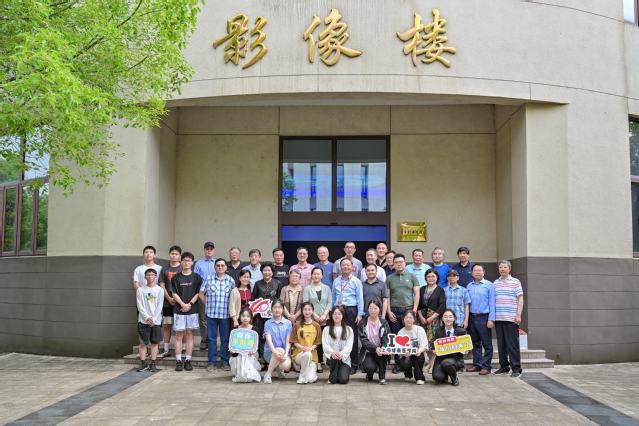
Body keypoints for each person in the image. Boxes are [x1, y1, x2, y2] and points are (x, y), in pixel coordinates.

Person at [385, 253, 420, 373]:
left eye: (401, 262)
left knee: (410, 336)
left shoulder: (412, 276)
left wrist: (415, 309)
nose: (399, 264)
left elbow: (417, 294)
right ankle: (398, 364)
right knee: (396, 337)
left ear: (405, 263)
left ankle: (411, 362)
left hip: (408, 310)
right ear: (393, 264)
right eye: (396, 262)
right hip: (395, 311)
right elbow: (387, 296)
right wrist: (389, 311)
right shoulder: (389, 278)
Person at [199, 258, 235, 372]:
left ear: (226, 267)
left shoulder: (230, 280)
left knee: (225, 339)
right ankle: (212, 362)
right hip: (211, 314)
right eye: (218, 265)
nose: (220, 267)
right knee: (211, 339)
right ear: (215, 267)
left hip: (225, 315)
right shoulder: (208, 279)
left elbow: (234, 296)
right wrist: (207, 304)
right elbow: (201, 293)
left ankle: (225, 361)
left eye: (222, 265)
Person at [170, 252, 202, 372]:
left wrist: (190, 304)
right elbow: (174, 293)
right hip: (179, 310)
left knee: (189, 334)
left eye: (189, 260)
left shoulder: (197, 277)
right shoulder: (176, 277)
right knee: (179, 335)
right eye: (184, 260)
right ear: (181, 262)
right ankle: (178, 360)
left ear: (192, 262)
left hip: (192, 310)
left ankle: (188, 360)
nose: (186, 262)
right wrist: (183, 304)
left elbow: (198, 293)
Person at [332, 258, 364, 374]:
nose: (345, 267)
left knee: (352, 337)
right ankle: (340, 361)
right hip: (338, 310)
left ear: (352, 267)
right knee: (338, 335)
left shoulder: (356, 281)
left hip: (351, 310)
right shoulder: (336, 281)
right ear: (340, 267)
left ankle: (354, 364)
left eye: (348, 265)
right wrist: (332, 311)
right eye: (343, 265)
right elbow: (333, 297)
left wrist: (360, 314)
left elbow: (360, 298)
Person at [493, 260, 524, 378]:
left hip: (511, 318)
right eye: (500, 267)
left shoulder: (515, 282)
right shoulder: (495, 283)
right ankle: (504, 366)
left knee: (512, 345)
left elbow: (520, 299)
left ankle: (516, 369)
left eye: (505, 267)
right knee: (501, 345)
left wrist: (518, 314)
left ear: (509, 269)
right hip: (498, 318)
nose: (502, 269)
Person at [466, 264, 496, 375]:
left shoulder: (489, 285)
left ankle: (486, 366)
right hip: (472, 317)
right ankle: (477, 365)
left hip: (484, 317)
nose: (477, 272)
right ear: (472, 273)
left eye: (479, 270)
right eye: (475, 270)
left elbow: (492, 303)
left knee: (487, 344)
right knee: (475, 343)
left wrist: (491, 319)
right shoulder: (469, 285)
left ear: (484, 272)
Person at [253, 263, 283, 364]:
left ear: (272, 272)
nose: (267, 272)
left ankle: (274, 359)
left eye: (269, 270)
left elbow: (279, 299)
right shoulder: (257, 284)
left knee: (274, 337)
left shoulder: (277, 283)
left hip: (274, 316)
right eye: (265, 270)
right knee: (261, 337)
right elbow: (253, 300)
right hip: (260, 317)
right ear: (262, 272)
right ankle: (263, 360)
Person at [303, 267, 332, 372]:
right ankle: (317, 363)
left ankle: (324, 360)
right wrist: (314, 315)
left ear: (322, 276)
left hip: (325, 319)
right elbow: (306, 303)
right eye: (314, 274)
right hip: (312, 319)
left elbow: (330, 302)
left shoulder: (327, 288)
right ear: (311, 275)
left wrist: (324, 315)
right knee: (315, 341)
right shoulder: (307, 288)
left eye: (318, 274)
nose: (316, 276)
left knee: (324, 340)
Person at [418, 269, 447, 374]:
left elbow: (442, 305)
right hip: (422, 319)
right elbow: (418, 304)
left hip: (434, 319)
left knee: (433, 342)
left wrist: (432, 317)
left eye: (433, 276)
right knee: (425, 341)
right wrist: (420, 316)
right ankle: (428, 363)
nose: (431, 278)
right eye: (429, 276)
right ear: (426, 278)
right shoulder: (422, 289)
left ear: (437, 278)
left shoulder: (440, 290)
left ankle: (432, 364)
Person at [135, 268, 164, 372]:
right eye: (148, 275)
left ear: (155, 277)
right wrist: (147, 318)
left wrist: (154, 318)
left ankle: (153, 363)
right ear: (145, 277)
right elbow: (139, 305)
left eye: (152, 275)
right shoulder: (140, 290)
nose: (150, 276)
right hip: (143, 321)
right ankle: (143, 363)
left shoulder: (160, 290)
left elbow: (160, 305)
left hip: (156, 321)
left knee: (155, 343)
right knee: (143, 343)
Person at [358, 300, 390, 385]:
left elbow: (386, 338)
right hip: (368, 351)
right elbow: (364, 341)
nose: (373, 310)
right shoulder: (362, 323)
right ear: (367, 309)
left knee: (383, 353)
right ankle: (369, 374)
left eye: (375, 308)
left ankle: (382, 377)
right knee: (370, 367)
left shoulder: (384, 323)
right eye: (371, 308)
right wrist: (375, 348)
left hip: (380, 350)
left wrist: (383, 348)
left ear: (379, 309)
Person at [432, 309, 466, 386]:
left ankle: (454, 378)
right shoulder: (438, 331)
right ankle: (445, 374)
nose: (448, 319)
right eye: (446, 317)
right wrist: (434, 350)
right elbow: (434, 345)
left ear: (454, 318)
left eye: (450, 317)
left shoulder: (461, 331)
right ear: (442, 319)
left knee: (446, 363)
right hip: (441, 359)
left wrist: (466, 350)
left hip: (456, 359)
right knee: (437, 377)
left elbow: (467, 345)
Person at [158, 245, 182, 358]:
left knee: (181, 327)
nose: (174, 256)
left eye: (176, 254)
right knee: (167, 325)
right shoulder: (165, 269)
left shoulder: (182, 268)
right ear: (169, 255)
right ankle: (166, 349)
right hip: (167, 302)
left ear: (179, 256)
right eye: (172, 253)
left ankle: (182, 349)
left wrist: (178, 300)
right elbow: (162, 285)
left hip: (180, 303)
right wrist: (168, 298)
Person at [262, 300, 292, 384]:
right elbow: (269, 340)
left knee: (286, 366)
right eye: (275, 307)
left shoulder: (288, 323)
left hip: (284, 353)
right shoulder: (268, 323)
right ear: (271, 309)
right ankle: (268, 374)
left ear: (283, 309)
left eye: (279, 307)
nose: (277, 310)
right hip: (270, 352)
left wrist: (286, 354)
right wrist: (274, 352)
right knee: (279, 350)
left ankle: (279, 369)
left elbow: (288, 341)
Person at [291, 302, 322, 384]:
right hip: (299, 355)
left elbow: (317, 342)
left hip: (312, 356)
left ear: (312, 311)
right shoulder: (297, 325)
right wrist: (303, 348)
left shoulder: (316, 325)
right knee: (307, 354)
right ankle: (302, 375)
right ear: (302, 311)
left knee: (310, 379)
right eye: (305, 309)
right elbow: (294, 341)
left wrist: (310, 348)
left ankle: (308, 374)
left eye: (309, 309)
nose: (307, 312)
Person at [322, 306, 354, 384]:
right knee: (335, 358)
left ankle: (334, 375)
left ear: (343, 315)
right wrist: (332, 352)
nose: (337, 316)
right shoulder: (326, 329)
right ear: (331, 315)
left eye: (339, 314)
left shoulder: (349, 329)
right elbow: (325, 345)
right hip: (332, 358)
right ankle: (333, 376)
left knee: (343, 380)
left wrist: (341, 354)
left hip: (344, 359)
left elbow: (349, 346)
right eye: (335, 314)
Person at [229, 307, 262, 383]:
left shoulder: (255, 330)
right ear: (240, 317)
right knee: (239, 360)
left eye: (248, 316)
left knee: (248, 375)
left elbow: (257, 345)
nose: (245, 318)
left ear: (251, 318)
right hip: (238, 354)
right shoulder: (235, 330)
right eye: (243, 316)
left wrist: (253, 351)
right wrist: (232, 350)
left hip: (251, 354)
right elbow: (232, 344)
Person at [194, 241, 216, 350]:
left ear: (214, 251)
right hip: (202, 292)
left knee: (213, 318)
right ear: (204, 250)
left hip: (214, 294)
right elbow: (195, 278)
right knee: (203, 318)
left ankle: (212, 340)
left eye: (211, 249)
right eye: (207, 249)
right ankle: (204, 339)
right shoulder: (199, 263)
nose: (209, 251)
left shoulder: (217, 263)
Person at [397, 309, 429, 385]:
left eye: (410, 318)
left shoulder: (419, 329)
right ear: (403, 319)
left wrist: (419, 351)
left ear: (414, 319)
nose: (408, 320)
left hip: (418, 354)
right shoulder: (400, 332)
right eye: (406, 318)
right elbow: (398, 349)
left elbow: (425, 345)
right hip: (406, 355)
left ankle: (419, 378)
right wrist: (404, 353)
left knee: (418, 357)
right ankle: (408, 374)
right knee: (405, 362)